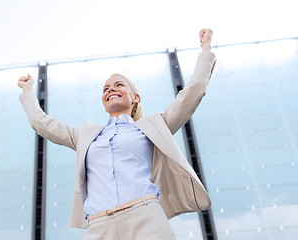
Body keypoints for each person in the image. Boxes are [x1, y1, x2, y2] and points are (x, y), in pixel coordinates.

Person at [17, 29, 216, 240]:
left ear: (135, 97)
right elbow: (43, 124)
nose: (111, 89)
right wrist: (28, 92)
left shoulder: (154, 126)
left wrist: (206, 49)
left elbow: (192, 93)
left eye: (119, 85)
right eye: (106, 89)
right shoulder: (85, 135)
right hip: (99, 226)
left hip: (146, 218)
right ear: (104, 102)